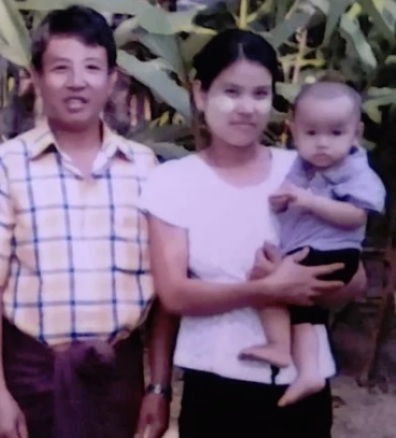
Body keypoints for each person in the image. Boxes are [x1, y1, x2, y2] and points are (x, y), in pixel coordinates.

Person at [0, 5, 175, 438]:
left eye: (91, 67)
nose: (77, 81)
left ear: (111, 79)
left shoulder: (145, 169)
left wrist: (159, 387)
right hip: (30, 378)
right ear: (35, 77)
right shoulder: (3, 167)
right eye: (60, 68)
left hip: (115, 379)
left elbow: (165, 292)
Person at [141, 29, 368, 438]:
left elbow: (354, 281)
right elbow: (173, 294)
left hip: (304, 385)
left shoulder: (304, 173)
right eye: (231, 92)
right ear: (200, 93)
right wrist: (269, 290)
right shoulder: (172, 181)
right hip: (215, 387)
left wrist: (306, 283)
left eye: (260, 94)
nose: (246, 108)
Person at [240, 79, 386, 406]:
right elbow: (286, 198)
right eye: (311, 133)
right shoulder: (299, 166)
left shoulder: (355, 171)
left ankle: (278, 346)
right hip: (311, 252)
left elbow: (357, 216)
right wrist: (282, 201)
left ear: (356, 132)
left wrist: (308, 201)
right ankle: (309, 372)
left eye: (335, 133)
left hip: (335, 253)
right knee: (305, 314)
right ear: (293, 130)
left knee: (267, 283)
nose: (322, 144)